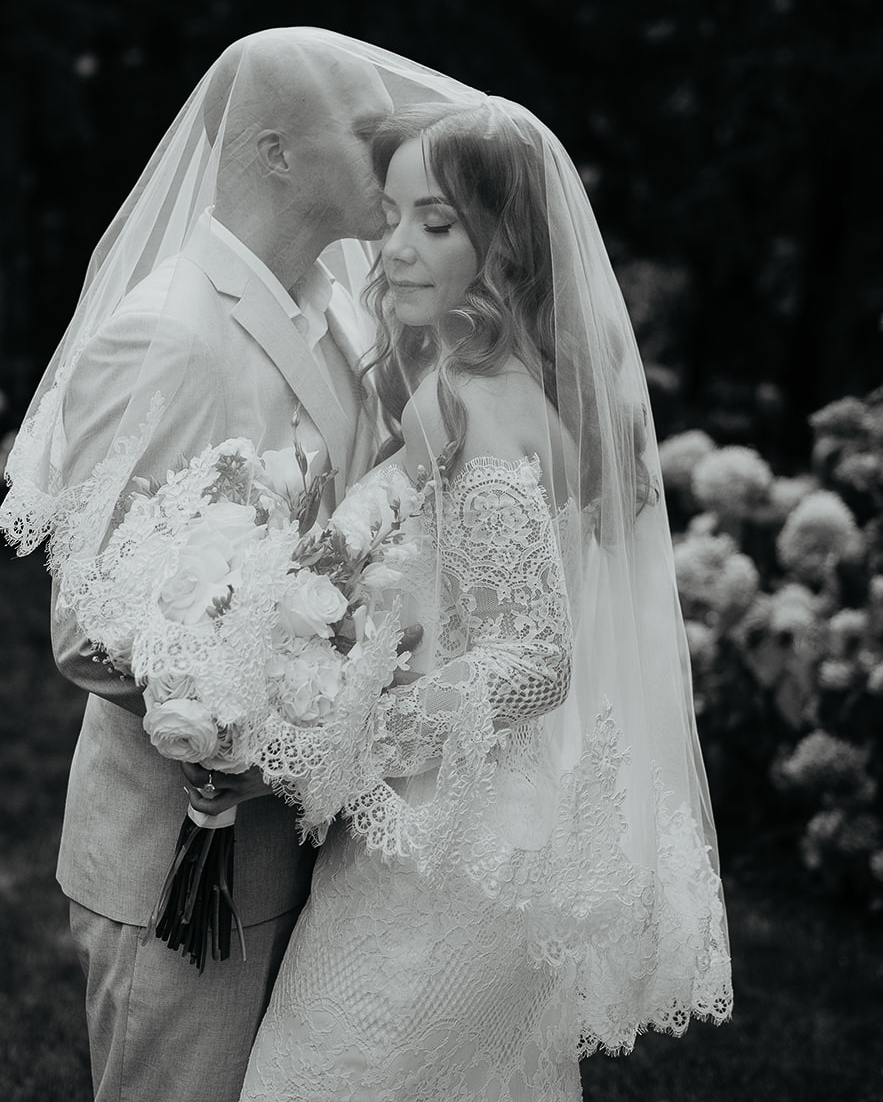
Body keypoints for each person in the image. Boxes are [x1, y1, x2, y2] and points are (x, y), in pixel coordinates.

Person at [0, 30, 480, 1102]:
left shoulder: (342, 305)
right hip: (181, 854)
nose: (394, 156)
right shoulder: (164, 338)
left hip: (302, 838)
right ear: (272, 152)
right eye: (365, 137)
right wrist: (273, 731)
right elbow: (87, 625)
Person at [238, 97, 733, 1101]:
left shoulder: (468, 399)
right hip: (493, 819)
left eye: (439, 221)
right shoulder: (503, 384)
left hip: (443, 841)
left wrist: (354, 725)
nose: (400, 249)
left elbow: (534, 659)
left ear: (502, 240)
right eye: (393, 215)